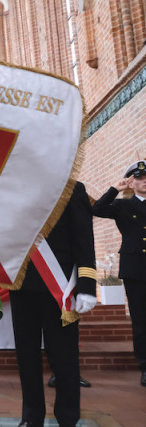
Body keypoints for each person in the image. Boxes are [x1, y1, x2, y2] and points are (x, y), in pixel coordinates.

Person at [10, 181, 97, 427]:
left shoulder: (71, 188)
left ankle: (68, 417)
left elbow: (84, 239)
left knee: (64, 357)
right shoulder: (11, 188)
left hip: (59, 287)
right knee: (26, 356)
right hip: (21, 284)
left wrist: (87, 286)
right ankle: (31, 416)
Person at [92, 160, 146, 387]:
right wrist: (115, 189)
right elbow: (96, 209)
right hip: (136, 268)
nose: (144, 182)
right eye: (140, 178)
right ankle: (144, 365)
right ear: (131, 182)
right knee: (141, 320)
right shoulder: (123, 206)